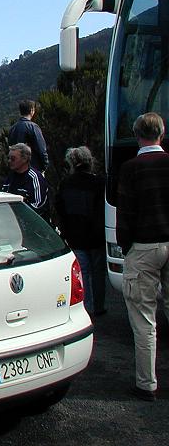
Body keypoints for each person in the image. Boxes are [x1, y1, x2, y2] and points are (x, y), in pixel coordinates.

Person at [116, 112, 169, 402]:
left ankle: (146, 384)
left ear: (137, 135)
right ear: (162, 134)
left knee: (144, 319)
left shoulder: (131, 168)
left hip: (144, 247)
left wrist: (126, 247)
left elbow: (125, 215)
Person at [55, 147, 106, 316]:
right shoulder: (99, 183)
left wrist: (64, 231)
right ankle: (99, 305)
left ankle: (87, 306)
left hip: (75, 236)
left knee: (83, 272)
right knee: (98, 273)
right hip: (96, 236)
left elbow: (60, 210)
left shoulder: (66, 184)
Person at [2, 143, 49, 220]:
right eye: (9, 158)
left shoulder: (35, 178)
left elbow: (38, 207)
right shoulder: (9, 178)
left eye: (13, 159)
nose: (9, 161)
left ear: (25, 159)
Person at [9, 100, 50, 172]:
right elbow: (41, 149)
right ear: (31, 110)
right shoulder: (33, 127)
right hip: (33, 167)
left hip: (17, 169)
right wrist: (45, 165)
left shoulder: (13, 128)